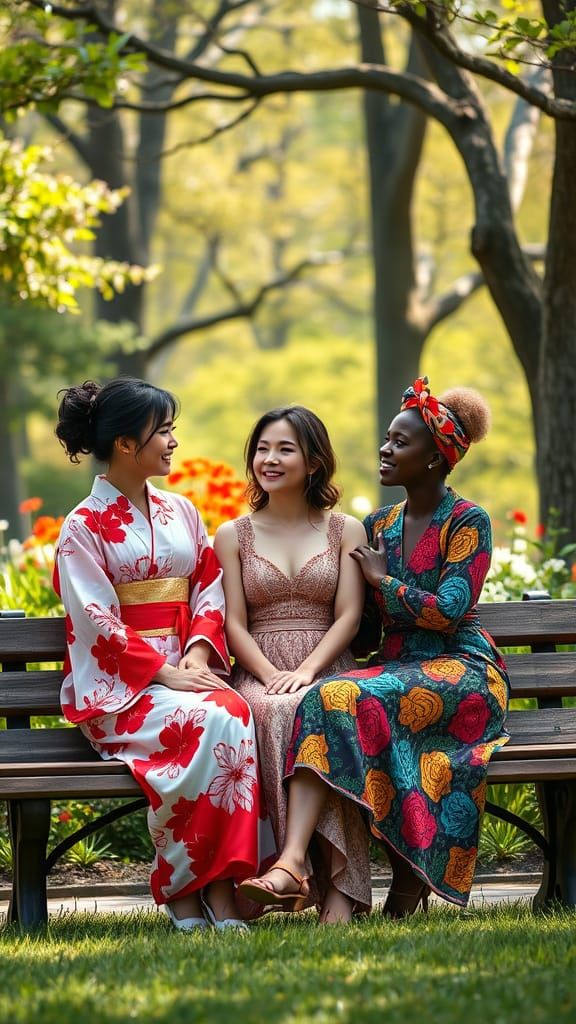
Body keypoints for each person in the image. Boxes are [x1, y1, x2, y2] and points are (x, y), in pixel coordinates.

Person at [239, 376, 510, 917]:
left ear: (435, 459)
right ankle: (293, 866)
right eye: (387, 439)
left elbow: (449, 609)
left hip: (462, 671)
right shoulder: (378, 525)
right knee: (329, 697)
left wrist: (382, 582)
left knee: (335, 696)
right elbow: (362, 627)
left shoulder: (468, 521)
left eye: (400, 443)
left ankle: (331, 876)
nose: (385, 450)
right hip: (396, 671)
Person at [54, 377, 261, 931]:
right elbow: (94, 621)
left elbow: (208, 586)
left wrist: (195, 654)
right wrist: (165, 673)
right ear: (126, 443)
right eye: (163, 431)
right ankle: (195, 890)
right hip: (119, 693)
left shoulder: (182, 512)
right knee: (211, 718)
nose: (173, 441)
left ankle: (210, 887)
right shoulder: (81, 527)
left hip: (180, 675)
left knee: (231, 712)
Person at [214, 406, 372, 923]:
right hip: (259, 664)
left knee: (324, 705)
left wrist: (308, 669)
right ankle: (299, 874)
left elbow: (349, 615)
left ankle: (328, 886)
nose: (270, 459)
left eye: (284, 449)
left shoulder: (345, 529)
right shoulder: (232, 535)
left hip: (327, 661)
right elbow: (234, 624)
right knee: (273, 709)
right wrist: (266, 673)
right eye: (262, 448)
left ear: (313, 460)